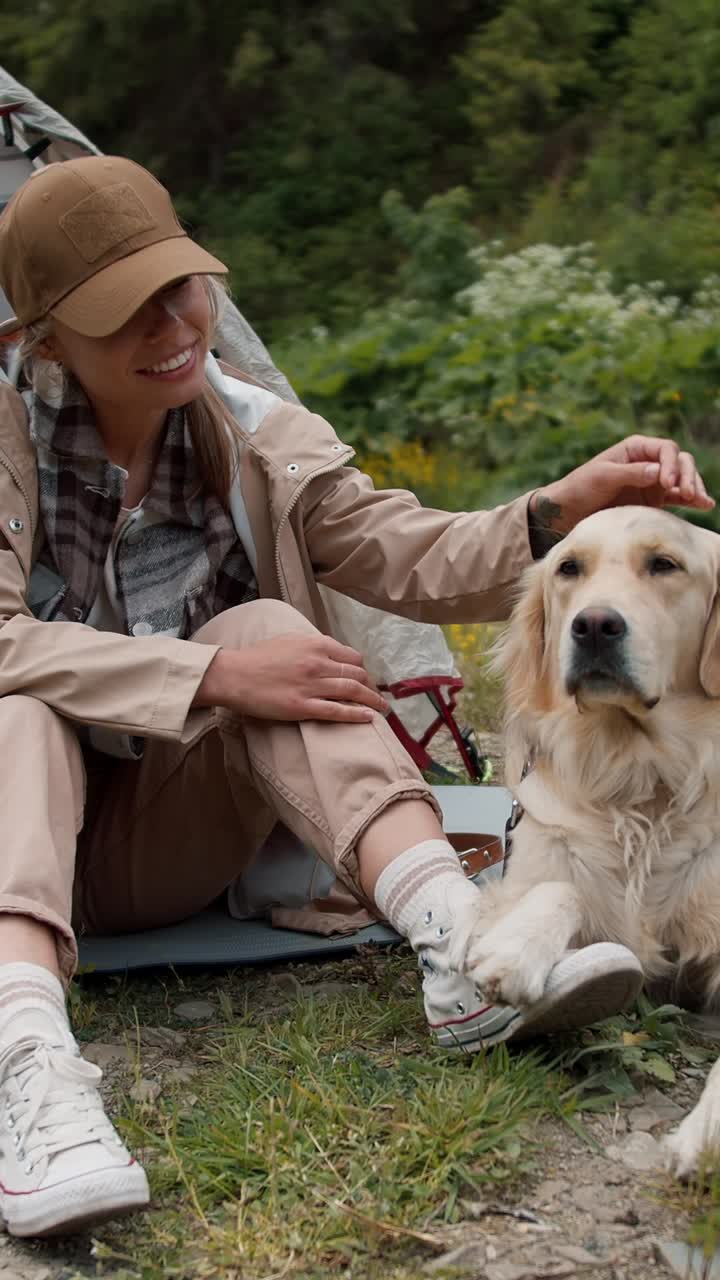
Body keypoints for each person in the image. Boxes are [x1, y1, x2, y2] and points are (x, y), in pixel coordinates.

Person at [0, 156, 712, 1239]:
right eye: (123, 310)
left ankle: (458, 950)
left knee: (276, 633)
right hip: (24, 837)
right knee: (26, 699)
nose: (172, 323)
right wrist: (207, 674)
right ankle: (30, 1070)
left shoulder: (255, 430)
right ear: (45, 340)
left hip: (162, 843)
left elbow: (401, 547)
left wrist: (556, 506)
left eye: (182, 285)